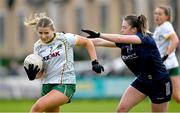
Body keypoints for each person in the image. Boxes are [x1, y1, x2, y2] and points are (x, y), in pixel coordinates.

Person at [81, 14, 172, 112]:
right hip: (142, 81)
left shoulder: (145, 39)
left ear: (134, 29)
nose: (121, 30)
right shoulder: (125, 43)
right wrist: (73, 39)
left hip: (159, 82)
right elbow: (99, 42)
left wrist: (99, 34)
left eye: (124, 27)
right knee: (121, 110)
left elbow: (119, 38)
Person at [23, 13, 104, 113]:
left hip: (65, 84)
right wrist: (33, 75)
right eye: (40, 33)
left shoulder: (65, 39)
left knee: (37, 108)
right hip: (47, 86)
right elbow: (42, 72)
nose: (43, 36)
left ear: (53, 30)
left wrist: (94, 62)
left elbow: (88, 42)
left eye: (46, 33)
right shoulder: (37, 46)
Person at [153, 5, 180, 103]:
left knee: (174, 96)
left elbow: (175, 40)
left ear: (167, 16)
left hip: (168, 66)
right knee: (174, 96)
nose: (157, 16)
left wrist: (165, 55)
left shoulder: (166, 26)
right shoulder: (159, 28)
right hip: (167, 66)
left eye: (160, 14)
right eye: (155, 13)